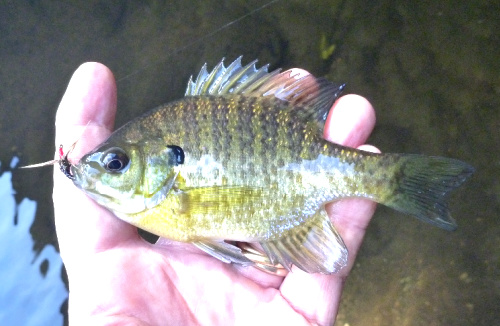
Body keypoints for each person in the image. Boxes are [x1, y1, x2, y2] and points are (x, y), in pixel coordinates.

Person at [53, 62, 380, 325]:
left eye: (116, 163)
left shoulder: (167, 208)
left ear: (167, 160)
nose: (104, 170)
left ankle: (391, 180)